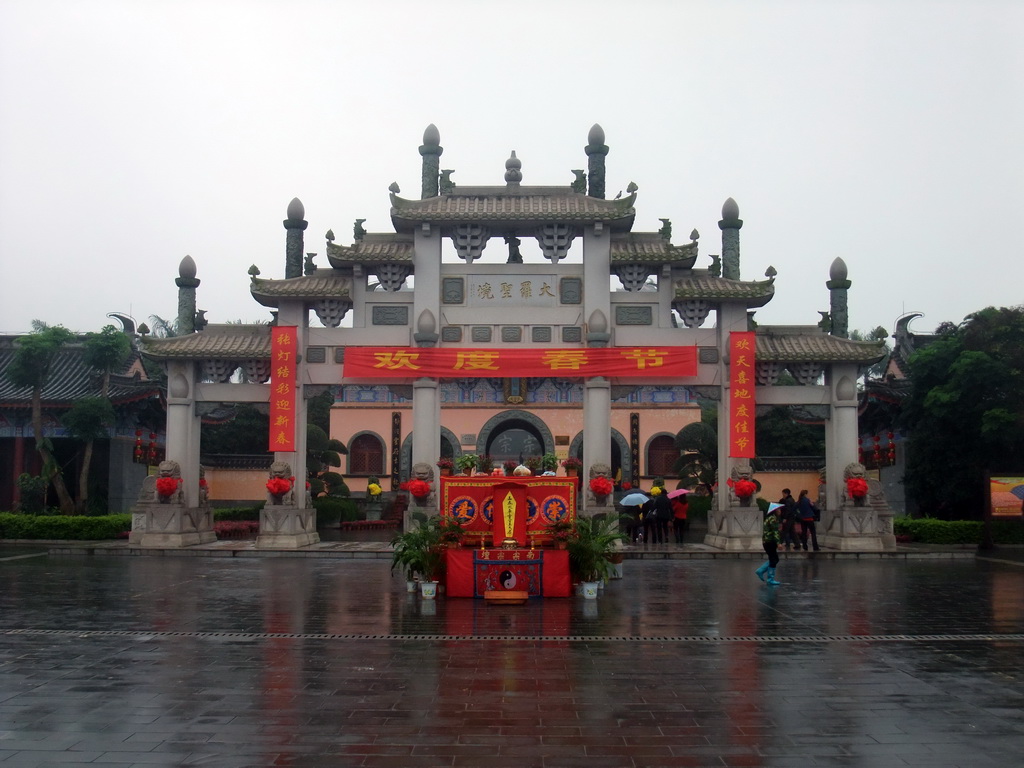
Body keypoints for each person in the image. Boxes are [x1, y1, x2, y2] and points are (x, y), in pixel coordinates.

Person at [755, 504, 783, 585]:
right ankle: (770, 578)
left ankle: (761, 570)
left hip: (767, 542)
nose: (780, 511)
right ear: (775, 511)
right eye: (779, 510)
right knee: (773, 559)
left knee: (775, 559)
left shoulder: (769, 518)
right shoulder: (773, 519)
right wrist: (779, 543)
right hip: (770, 542)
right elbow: (775, 532)